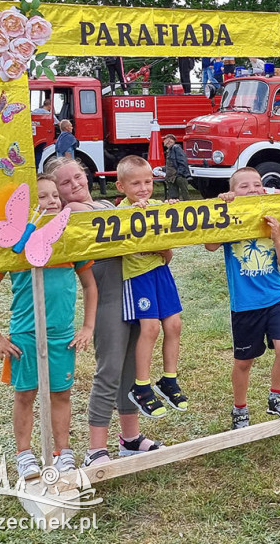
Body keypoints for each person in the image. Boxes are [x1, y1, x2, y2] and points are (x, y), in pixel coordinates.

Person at [0, 175, 97, 478]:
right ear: (29, 205)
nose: (53, 201)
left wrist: (87, 327)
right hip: (25, 335)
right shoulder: (12, 249)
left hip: (61, 336)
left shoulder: (68, 242)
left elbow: (90, 287)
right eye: (43, 197)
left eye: (56, 195)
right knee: (25, 394)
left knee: (62, 394)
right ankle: (25, 455)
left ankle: (63, 452)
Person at [46, 157, 163, 465]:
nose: (75, 184)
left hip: (134, 293)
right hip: (107, 297)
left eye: (78, 177)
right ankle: (96, 448)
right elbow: (122, 230)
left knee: (131, 370)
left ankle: (130, 437)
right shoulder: (71, 212)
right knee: (109, 370)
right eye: (65, 183)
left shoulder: (107, 206)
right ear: (57, 191)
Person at [206, 167, 280, 430]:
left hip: (274, 299)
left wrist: (277, 237)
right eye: (243, 186)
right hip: (245, 305)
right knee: (244, 362)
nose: (252, 190)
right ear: (232, 191)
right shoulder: (230, 219)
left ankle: (276, 397)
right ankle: (240, 409)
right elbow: (210, 245)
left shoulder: (271, 219)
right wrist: (221, 208)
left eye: (257, 184)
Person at [114, 156, 188, 419]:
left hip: (161, 271)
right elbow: (123, 231)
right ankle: (142, 386)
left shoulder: (156, 205)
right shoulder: (120, 210)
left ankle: (169, 379)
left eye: (148, 182)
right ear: (121, 187)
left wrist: (171, 209)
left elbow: (169, 247)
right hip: (137, 277)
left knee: (175, 324)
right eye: (136, 183)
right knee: (151, 327)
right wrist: (137, 211)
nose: (144, 188)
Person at [162, 133, 192, 200]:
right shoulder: (169, 151)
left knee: (185, 195)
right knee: (173, 197)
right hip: (172, 178)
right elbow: (170, 165)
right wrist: (162, 169)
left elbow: (183, 162)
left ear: (169, 140)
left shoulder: (176, 148)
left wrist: (179, 174)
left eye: (165, 140)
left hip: (178, 177)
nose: (164, 141)